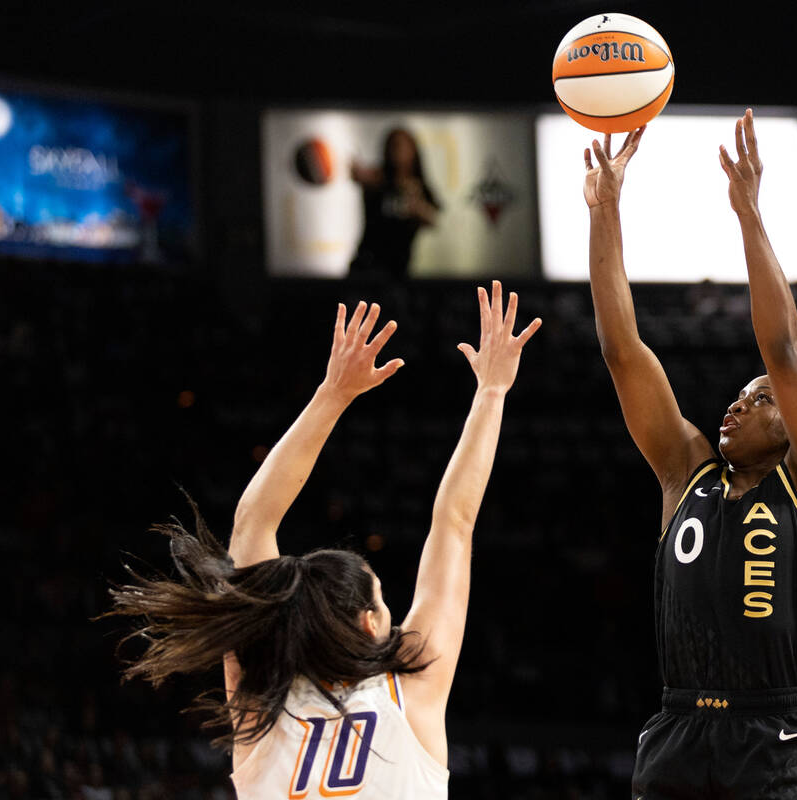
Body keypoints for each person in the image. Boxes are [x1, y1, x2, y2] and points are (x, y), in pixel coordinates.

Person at [106, 282, 540, 799]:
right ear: (367, 623)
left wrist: (333, 392)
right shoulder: (410, 693)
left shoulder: (262, 699)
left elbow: (252, 524)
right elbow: (454, 521)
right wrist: (492, 392)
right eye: (383, 602)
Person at [582, 111, 797, 799]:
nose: (738, 403)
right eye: (739, 395)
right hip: (677, 726)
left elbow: (781, 351)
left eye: (761, 401)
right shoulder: (684, 469)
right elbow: (621, 349)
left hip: (776, 735)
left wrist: (750, 216)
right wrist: (606, 213)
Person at [350, 128, 440, 278]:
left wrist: (415, 204)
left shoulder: (417, 186)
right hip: (368, 264)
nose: (398, 152)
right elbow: (363, 177)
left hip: (400, 269)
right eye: (394, 146)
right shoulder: (378, 179)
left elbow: (432, 219)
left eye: (404, 146)